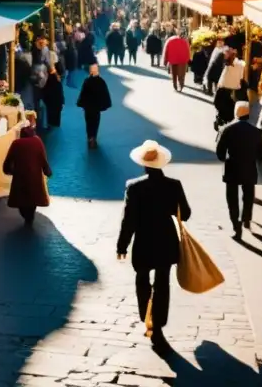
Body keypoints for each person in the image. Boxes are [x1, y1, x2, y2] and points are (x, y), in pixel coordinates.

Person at [117, 140, 192, 349]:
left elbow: (128, 219)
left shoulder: (134, 187)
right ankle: (158, 323)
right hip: (166, 239)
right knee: (162, 284)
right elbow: (185, 214)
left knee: (142, 280)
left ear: (144, 164)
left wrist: (122, 246)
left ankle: (146, 316)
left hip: (143, 240)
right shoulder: (174, 185)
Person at [215, 102, 262, 240]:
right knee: (248, 195)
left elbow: (220, 153)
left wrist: (225, 158)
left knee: (232, 198)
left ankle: (236, 226)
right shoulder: (256, 132)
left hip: (232, 168)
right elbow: (260, 154)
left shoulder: (227, 129)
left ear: (236, 113)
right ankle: (246, 219)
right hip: (249, 167)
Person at [2, 122, 53, 226]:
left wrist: (8, 170)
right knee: (33, 198)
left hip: (20, 176)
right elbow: (43, 158)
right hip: (35, 176)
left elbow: (9, 160)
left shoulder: (16, 143)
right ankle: (30, 216)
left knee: (21, 199)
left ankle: (26, 216)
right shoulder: (37, 141)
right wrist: (47, 171)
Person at [77, 63, 112, 149]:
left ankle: (90, 137)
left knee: (88, 123)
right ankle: (94, 137)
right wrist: (105, 104)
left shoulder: (87, 81)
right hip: (96, 108)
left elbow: (83, 94)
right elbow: (105, 94)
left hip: (88, 107)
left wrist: (81, 103)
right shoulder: (101, 81)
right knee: (96, 123)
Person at [214, 48, 246, 131]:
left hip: (223, 91)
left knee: (223, 108)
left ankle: (221, 120)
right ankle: (224, 122)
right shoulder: (241, 64)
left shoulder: (227, 65)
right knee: (229, 110)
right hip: (232, 92)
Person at [43, 62, 65, 128]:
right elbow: (60, 91)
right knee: (57, 114)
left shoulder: (50, 77)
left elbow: (46, 89)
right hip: (57, 100)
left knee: (51, 113)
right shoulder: (58, 79)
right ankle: (56, 123)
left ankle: (51, 124)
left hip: (51, 99)